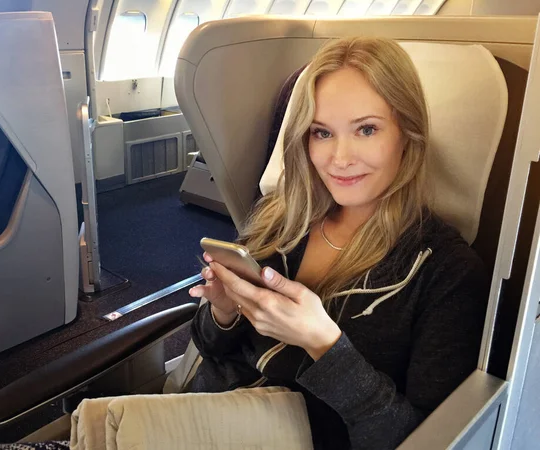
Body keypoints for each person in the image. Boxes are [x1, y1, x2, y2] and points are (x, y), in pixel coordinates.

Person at [187, 36, 489, 450]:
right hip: (200, 417)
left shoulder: (446, 274)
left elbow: (415, 439)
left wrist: (323, 345)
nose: (340, 158)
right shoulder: (278, 217)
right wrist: (223, 312)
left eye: (366, 129)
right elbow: (211, 347)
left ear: (407, 132)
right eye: (322, 133)